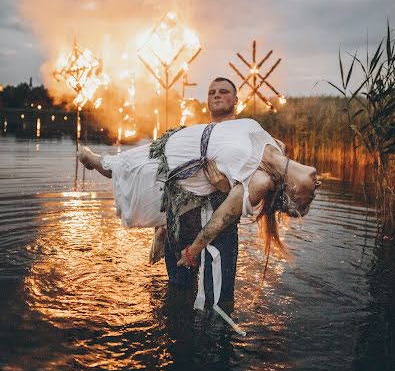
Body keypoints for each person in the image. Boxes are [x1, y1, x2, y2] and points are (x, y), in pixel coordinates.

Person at [78, 118, 320, 310]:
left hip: (182, 165)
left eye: (308, 197)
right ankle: (157, 224)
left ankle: (94, 160)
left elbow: (219, 220)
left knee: (126, 170)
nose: (317, 186)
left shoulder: (260, 182)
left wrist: (192, 252)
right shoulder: (277, 146)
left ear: (291, 192)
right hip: (180, 140)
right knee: (129, 164)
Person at [163, 77, 239, 307]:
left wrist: (225, 187)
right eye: (212, 91)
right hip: (179, 230)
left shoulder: (241, 138)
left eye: (223, 91)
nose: (216, 95)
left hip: (219, 236)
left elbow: (252, 196)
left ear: (236, 100)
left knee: (216, 304)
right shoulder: (194, 137)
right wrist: (161, 230)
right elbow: (172, 184)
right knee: (177, 297)